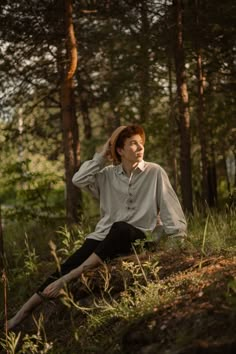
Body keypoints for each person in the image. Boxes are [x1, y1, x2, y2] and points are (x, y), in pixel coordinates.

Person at [7, 124, 187, 330]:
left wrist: (177, 245)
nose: (140, 148)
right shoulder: (107, 174)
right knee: (68, 262)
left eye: (141, 143)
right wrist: (102, 156)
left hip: (139, 237)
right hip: (105, 237)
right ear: (119, 150)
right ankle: (19, 316)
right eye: (133, 144)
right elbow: (78, 179)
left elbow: (170, 210)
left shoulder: (155, 172)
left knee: (120, 229)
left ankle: (69, 278)